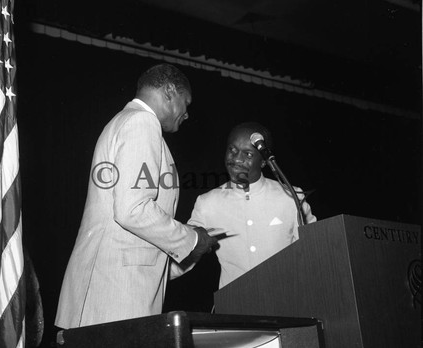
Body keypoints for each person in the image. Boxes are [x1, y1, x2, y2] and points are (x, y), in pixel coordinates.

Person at [55, 63, 217, 328]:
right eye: (185, 103)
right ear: (169, 91)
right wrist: (191, 238)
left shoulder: (125, 121)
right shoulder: (142, 122)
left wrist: (189, 253)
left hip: (110, 292)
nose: (187, 114)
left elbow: (134, 244)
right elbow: (133, 209)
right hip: (115, 299)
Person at [185, 121, 316, 290]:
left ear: (263, 162)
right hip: (233, 307)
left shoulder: (291, 197)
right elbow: (184, 250)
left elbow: (314, 251)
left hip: (287, 303)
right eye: (232, 150)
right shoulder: (207, 203)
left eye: (247, 154)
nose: (237, 159)